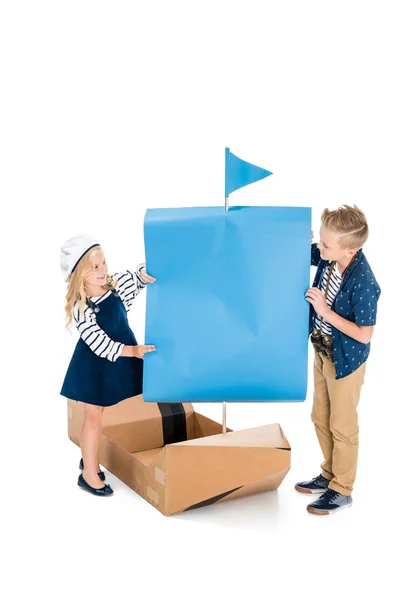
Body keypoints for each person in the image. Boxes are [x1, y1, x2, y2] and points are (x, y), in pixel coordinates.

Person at [296, 205, 381, 514]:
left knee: (342, 425)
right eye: (320, 240)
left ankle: (342, 489)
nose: (319, 248)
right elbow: (304, 253)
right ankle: (330, 474)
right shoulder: (331, 256)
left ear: (349, 250)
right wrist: (293, 236)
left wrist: (326, 313)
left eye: (325, 244)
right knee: (320, 417)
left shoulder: (363, 282)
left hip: (345, 361)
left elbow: (364, 334)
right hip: (323, 350)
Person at [60, 233, 156, 496]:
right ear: (80, 273)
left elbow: (134, 279)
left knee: (101, 417)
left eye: (104, 263)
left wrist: (143, 273)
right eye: (95, 267)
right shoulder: (83, 306)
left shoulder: (112, 288)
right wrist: (133, 351)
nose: (103, 270)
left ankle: (88, 458)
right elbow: (99, 342)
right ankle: (88, 473)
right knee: (93, 419)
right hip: (93, 368)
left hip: (117, 359)